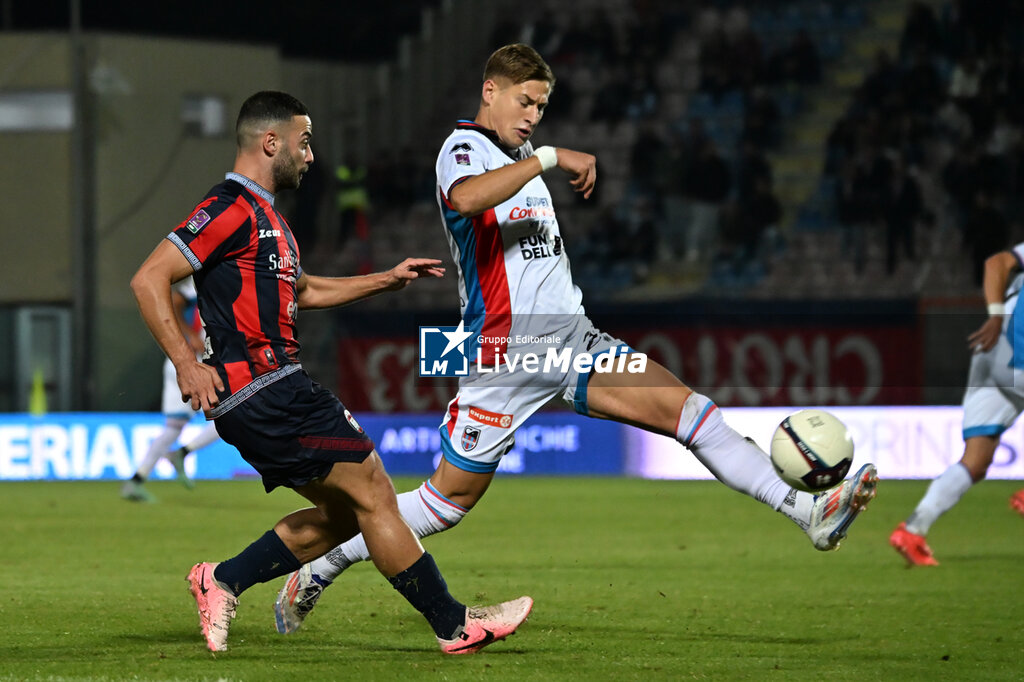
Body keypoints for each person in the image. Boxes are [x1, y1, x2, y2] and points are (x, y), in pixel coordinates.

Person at [273, 45, 878, 634]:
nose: (534, 115)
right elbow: (463, 200)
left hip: (571, 341)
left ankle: (808, 512)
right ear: (491, 92)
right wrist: (551, 157)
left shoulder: (523, 152)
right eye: (526, 101)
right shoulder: (464, 148)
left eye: (541, 106)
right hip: (504, 354)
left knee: (692, 413)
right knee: (444, 503)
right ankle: (325, 562)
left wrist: (541, 157)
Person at [130, 90, 531, 654]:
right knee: (374, 493)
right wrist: (186, 363)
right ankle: (453, 624)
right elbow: (150, 278)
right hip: (266, 387)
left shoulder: (270, 221)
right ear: (272, 143)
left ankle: (220, 580)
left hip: (265, 392)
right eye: (305, 142)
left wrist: (383, 279)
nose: (312, 156)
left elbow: (305, 289)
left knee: (344, 514)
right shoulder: (227, 209)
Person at [890, 246, 1024, 565]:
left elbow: (997, 262)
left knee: (976, 461)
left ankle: (912, 530)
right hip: (1013, 351)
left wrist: (995, 316)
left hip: (991, 350)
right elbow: (997, 262)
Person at [122, 276, 220, 502]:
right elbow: (175, 301)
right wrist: (190, 335)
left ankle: (143, 477)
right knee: (223, 418)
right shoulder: (202, 284)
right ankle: (175, 457)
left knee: (218, 420)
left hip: (204, 362)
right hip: (187, 362)